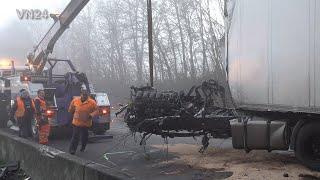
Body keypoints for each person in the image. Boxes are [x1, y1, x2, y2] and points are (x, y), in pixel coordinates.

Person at [68, 87, 98, 154]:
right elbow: (71, 109)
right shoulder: (75, 100)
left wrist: (91, 115)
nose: (84, 96)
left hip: (86, 123)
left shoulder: (92, 102)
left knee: (85, 136)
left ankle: (83, 147)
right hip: (76, 123)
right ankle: (72, 150)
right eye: (83, 95)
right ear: (80, 94)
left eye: (86, 95)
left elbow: (96, 110)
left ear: (88, 95)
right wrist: (72, 113)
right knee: (75, 136)